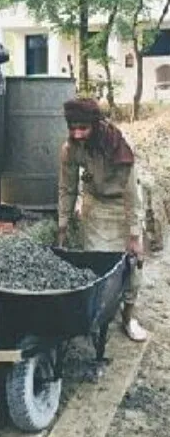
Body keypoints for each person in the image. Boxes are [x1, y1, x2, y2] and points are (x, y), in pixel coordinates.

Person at [57, 97, 148, 342]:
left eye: (83, 128)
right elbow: (67, 188)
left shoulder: (118, 145)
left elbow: (132, 194)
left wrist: (134, 235)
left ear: (95, 125)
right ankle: (99, 314)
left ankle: (128, 318)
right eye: (72, 127)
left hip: (123, 204)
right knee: (99, 266)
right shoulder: (71, 148)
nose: (77, 133)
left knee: (131, 267)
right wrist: (63, 223)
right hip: (95, 204)